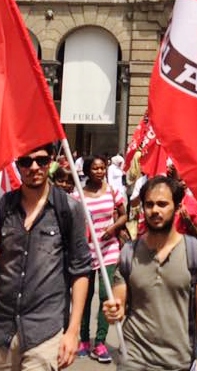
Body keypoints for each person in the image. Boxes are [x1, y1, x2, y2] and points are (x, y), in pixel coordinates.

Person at [0, 144, 92, 371]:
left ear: (51, 162)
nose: (34, 167)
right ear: (17, 165)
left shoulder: (68, 209)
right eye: (26, 162)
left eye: (41, 161)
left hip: (44, 333)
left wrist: (73, 331)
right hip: (0, 333)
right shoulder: (0, 209)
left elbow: (81, 271)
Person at [103, 175, 197, 371]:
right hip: (134, 359)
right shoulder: (129, 252)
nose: (155, 210)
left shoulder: (195, 253)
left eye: (162, 204)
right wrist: (114, 311)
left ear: (177, 207)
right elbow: (119, 303)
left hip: (179, 361)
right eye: (150, 204)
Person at [76, 155, 128, 363]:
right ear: (88, 171)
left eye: (102, 168)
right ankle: (83, 339)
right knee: (84, 296)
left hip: (108, 248)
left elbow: (125, 215)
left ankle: (100, 342)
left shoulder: (113, 191)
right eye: (95, 168)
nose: (99, 171)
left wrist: (113, 228)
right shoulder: (78, 194)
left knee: (107, 294)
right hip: (86, 251)